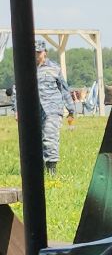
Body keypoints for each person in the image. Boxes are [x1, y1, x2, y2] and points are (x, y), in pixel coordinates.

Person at [32, 40, 69, 177]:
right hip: (33, 111)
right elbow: (18, 90)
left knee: (49, 138)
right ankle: (38, 170)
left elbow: (64, 89)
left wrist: (71, 109)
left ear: (44, 53)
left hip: (52, 109)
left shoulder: (55, 68)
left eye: (38, 52)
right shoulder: (26, 69)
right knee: (35, 140)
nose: (36, 55)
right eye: (34, 52)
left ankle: (51, 170)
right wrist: (17, 109)